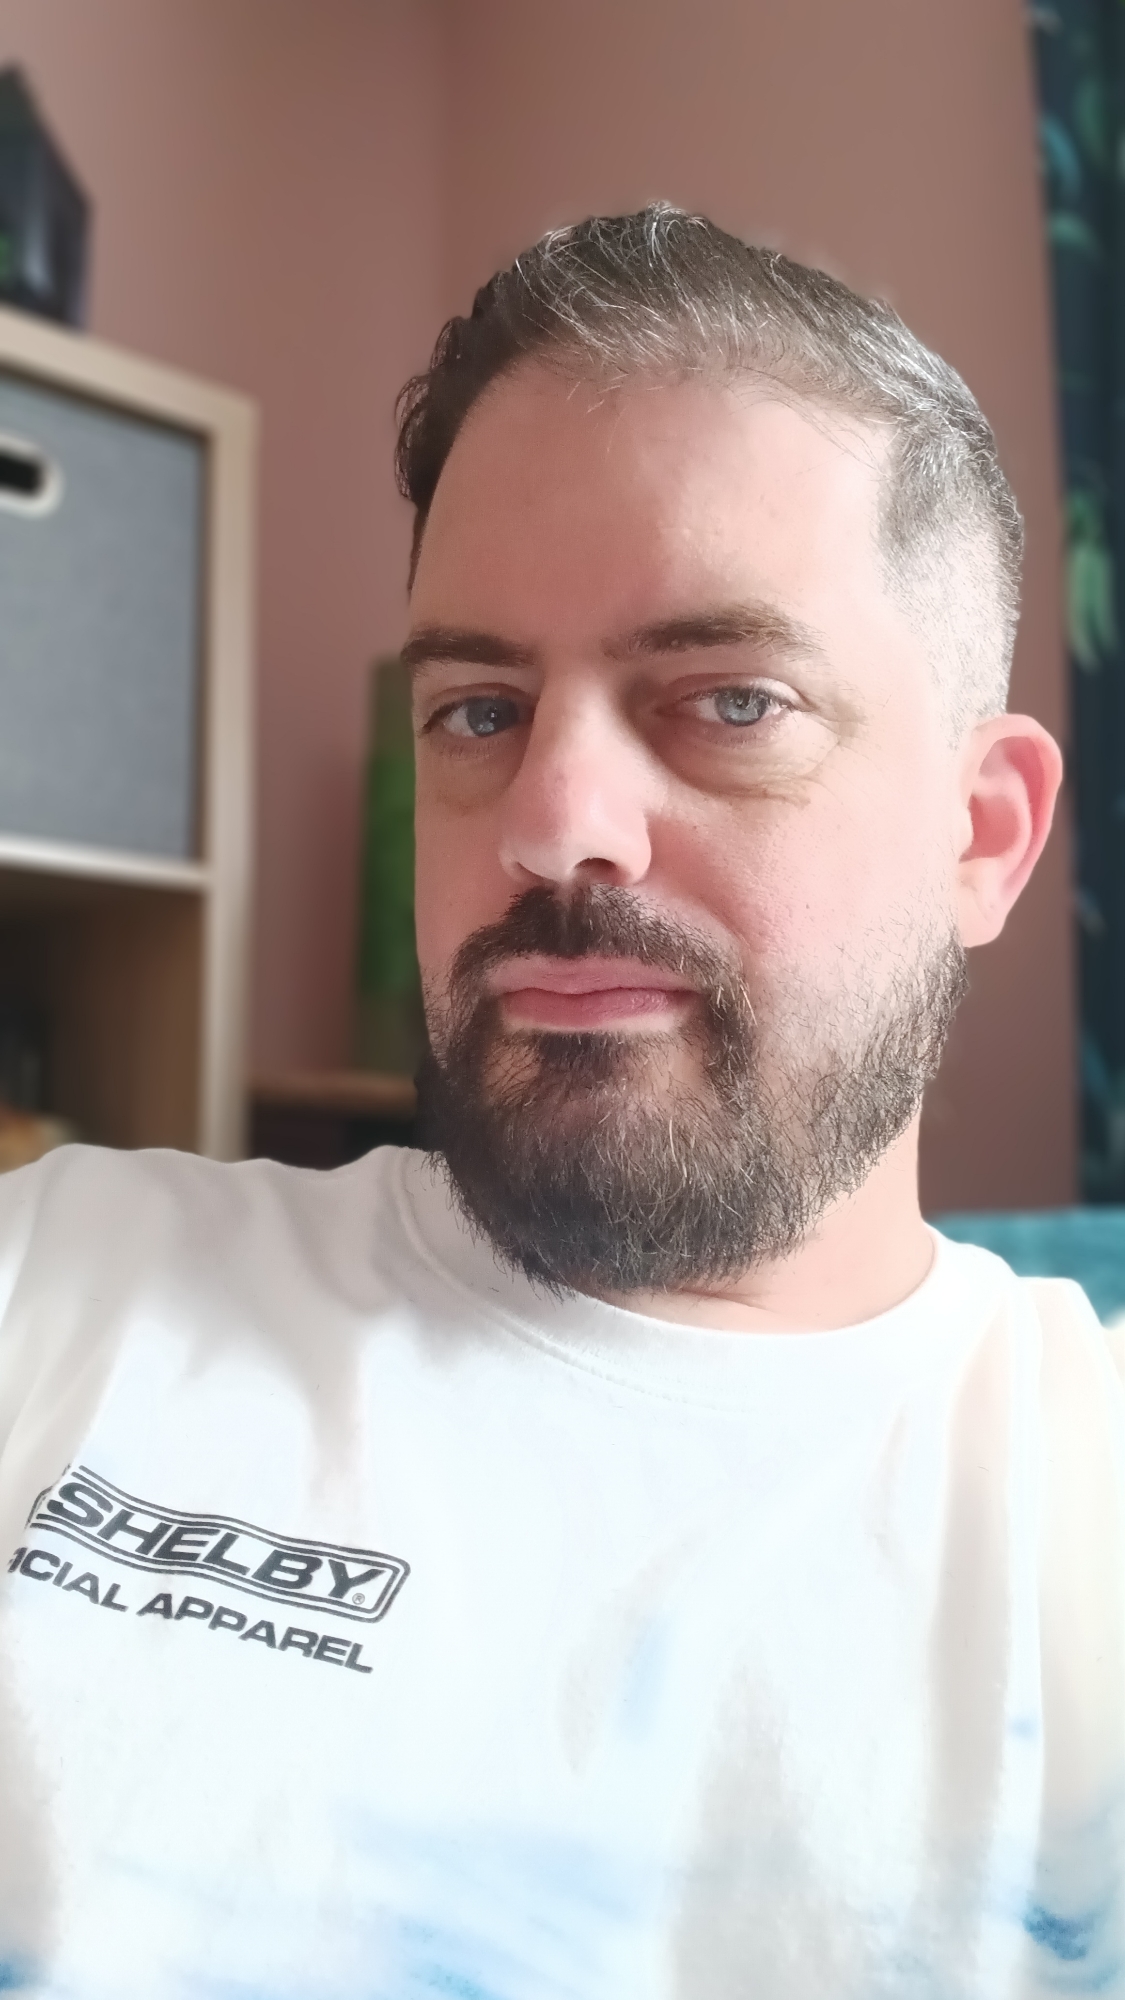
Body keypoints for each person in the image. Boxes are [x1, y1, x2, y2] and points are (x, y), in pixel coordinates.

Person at [0, 207, 1121, 1999]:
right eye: (477, 711)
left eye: (728, 702)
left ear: (980, 836)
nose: (547, 823)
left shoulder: (1081, 1520)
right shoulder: (63, 1282)